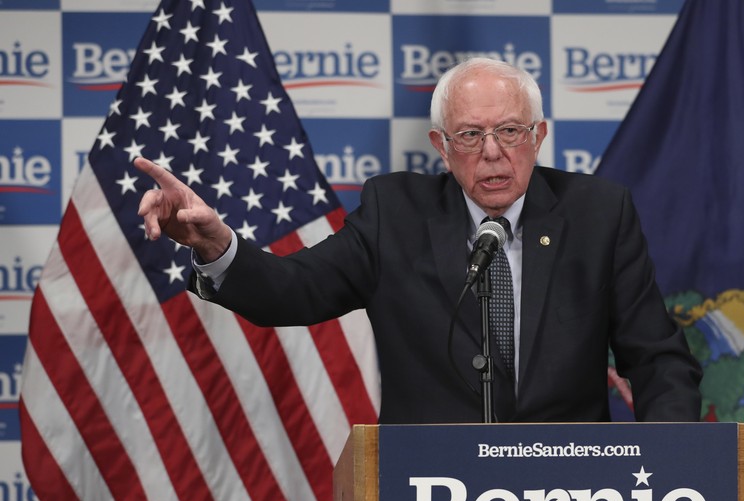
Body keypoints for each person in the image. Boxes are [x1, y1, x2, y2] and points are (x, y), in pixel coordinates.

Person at [135, 57, 702, 424]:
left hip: (574, 495)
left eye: (509, 131)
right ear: (441, 145)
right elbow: (294, 289)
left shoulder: (599, 214)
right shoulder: (395, 213)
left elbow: (656, 359)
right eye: (470, 135)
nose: (493, 151)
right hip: (432, 497)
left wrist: (668, 462)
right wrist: (215, 244)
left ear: (539, 136)